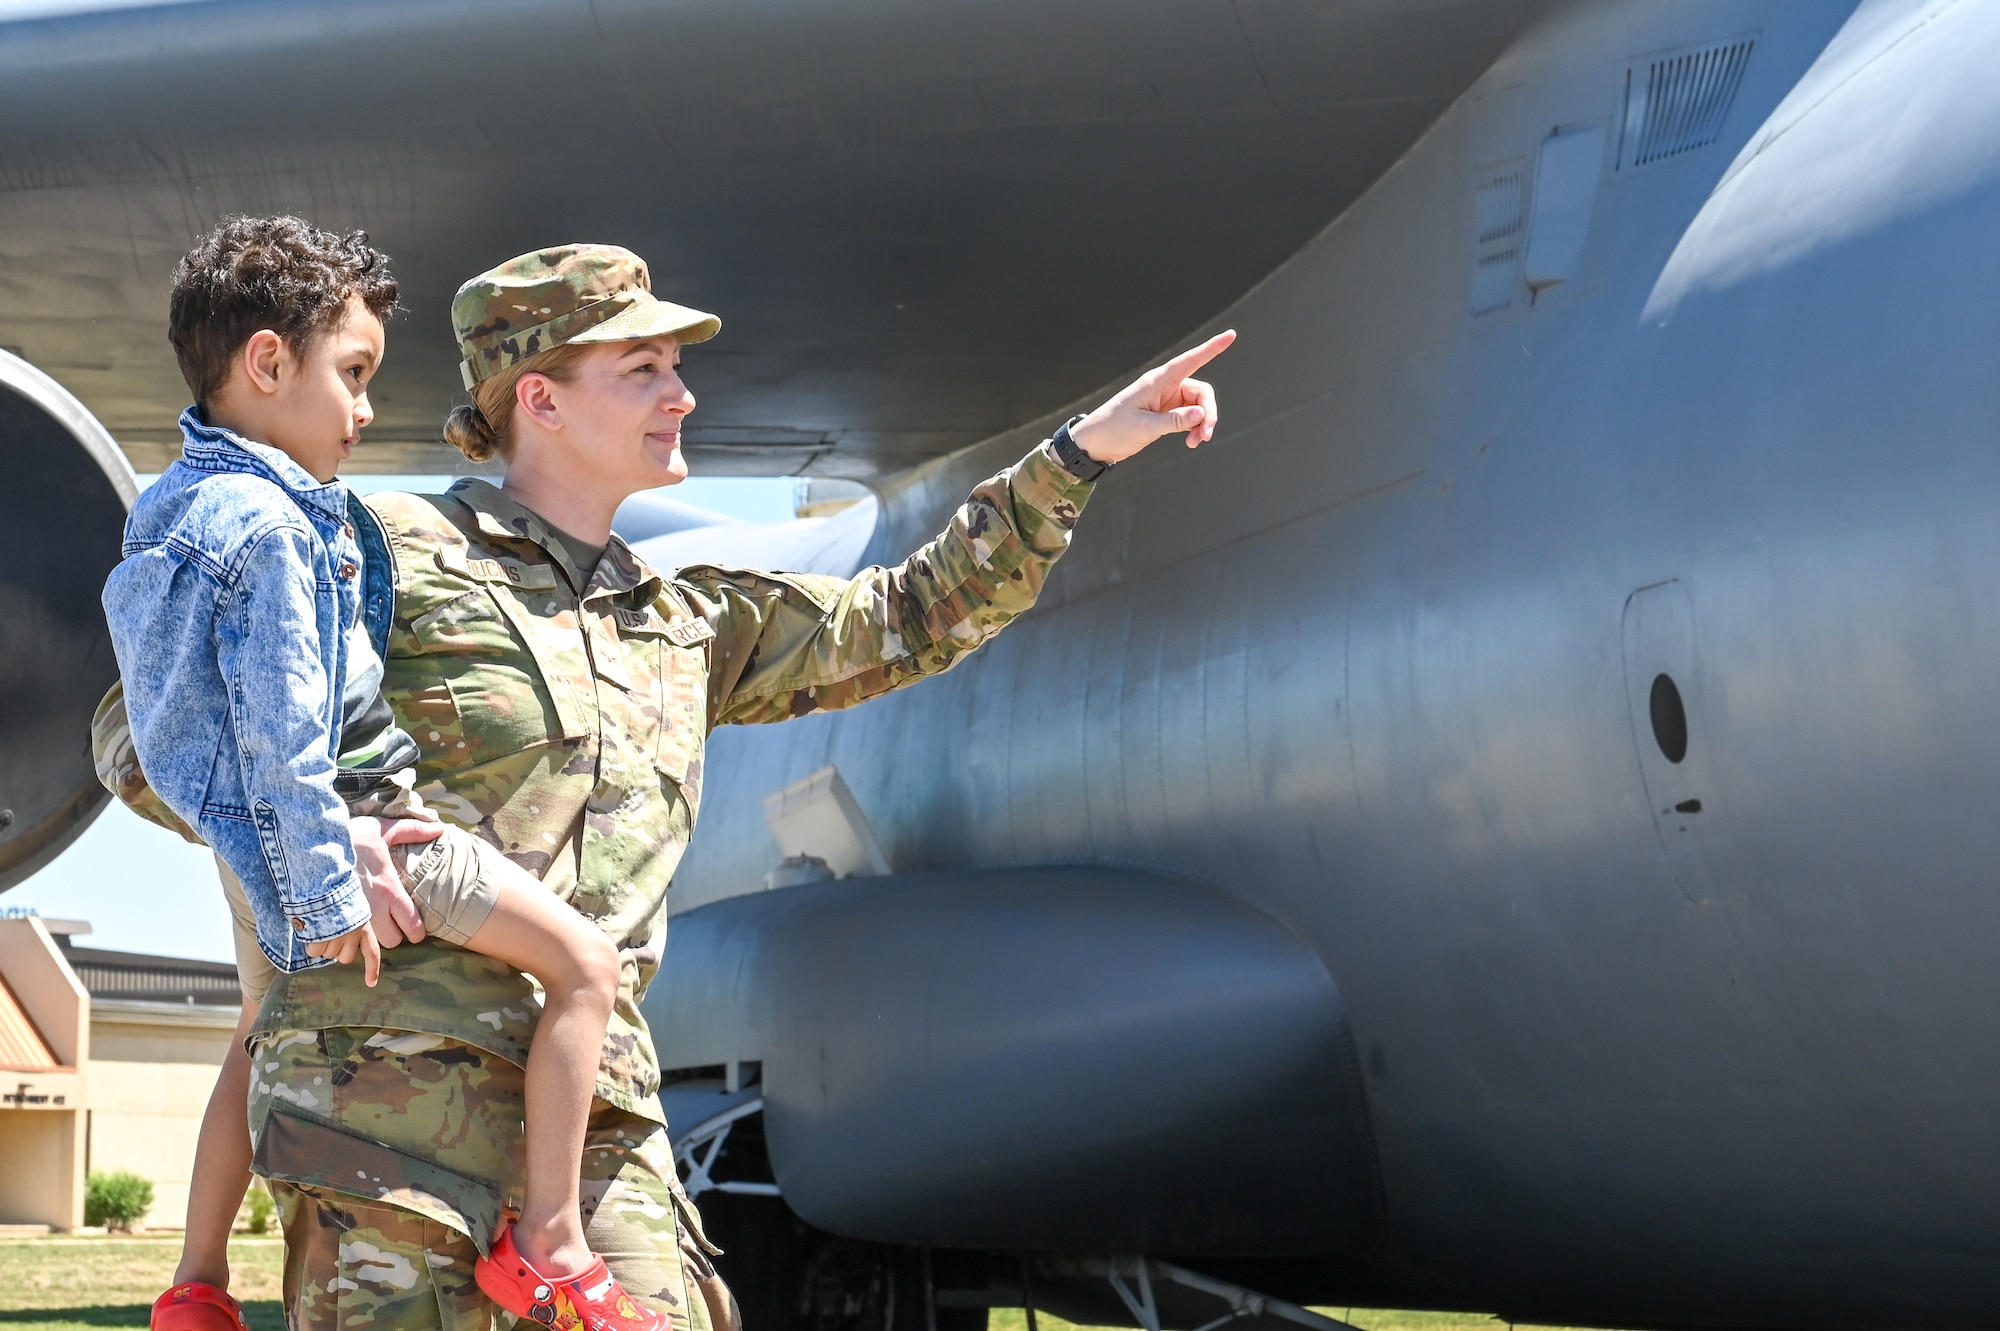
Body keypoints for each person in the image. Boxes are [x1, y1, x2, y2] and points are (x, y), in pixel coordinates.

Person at [111, 241, 1231, 1331]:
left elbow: (908, 612)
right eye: (641, 369)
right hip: (390, 1111)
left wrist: (1079, 453)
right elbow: (146, 720)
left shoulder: (686, 621)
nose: (683, 396)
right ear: (537, 397)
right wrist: (323, 828)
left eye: (676, 367)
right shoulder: (381, 546)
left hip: (596, 1117)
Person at [97, 218, 663, 1331]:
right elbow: (287, 727)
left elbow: (174, 723)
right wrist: (324, 883)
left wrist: (262, 863)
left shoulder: (166, 514)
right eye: (352, 376)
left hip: (254, 841)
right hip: (359, 834)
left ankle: (196, 1281)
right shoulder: (269, 528)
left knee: (258, 1031)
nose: (365, 411)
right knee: (587, 968)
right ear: (268, 363)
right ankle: (551, 1240)